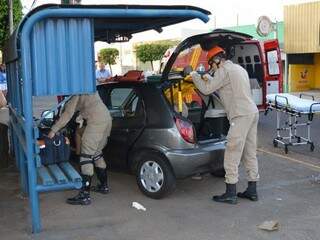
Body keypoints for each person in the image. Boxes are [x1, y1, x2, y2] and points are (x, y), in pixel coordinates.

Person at [190, 46, 259, 204]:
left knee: (232, 152)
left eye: (211, 64)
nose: (211, 68)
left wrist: (195, 75)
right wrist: (207, 77)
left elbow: (207, 90)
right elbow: (220, 83)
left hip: (240, 115)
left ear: (216, 60)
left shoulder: (224, 70)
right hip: (252, 112)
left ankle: (230, 192)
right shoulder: (238, 68)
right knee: (250, 152)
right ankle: (252, 190)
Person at [48, 92, 112, 205]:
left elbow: (68, 114)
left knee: (85, 157)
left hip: (95, 122)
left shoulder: (76, 91)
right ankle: (104, 186)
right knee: (97, 153)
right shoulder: (86, 85)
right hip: (106, 119)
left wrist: (53, 130)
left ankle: (85, 196)